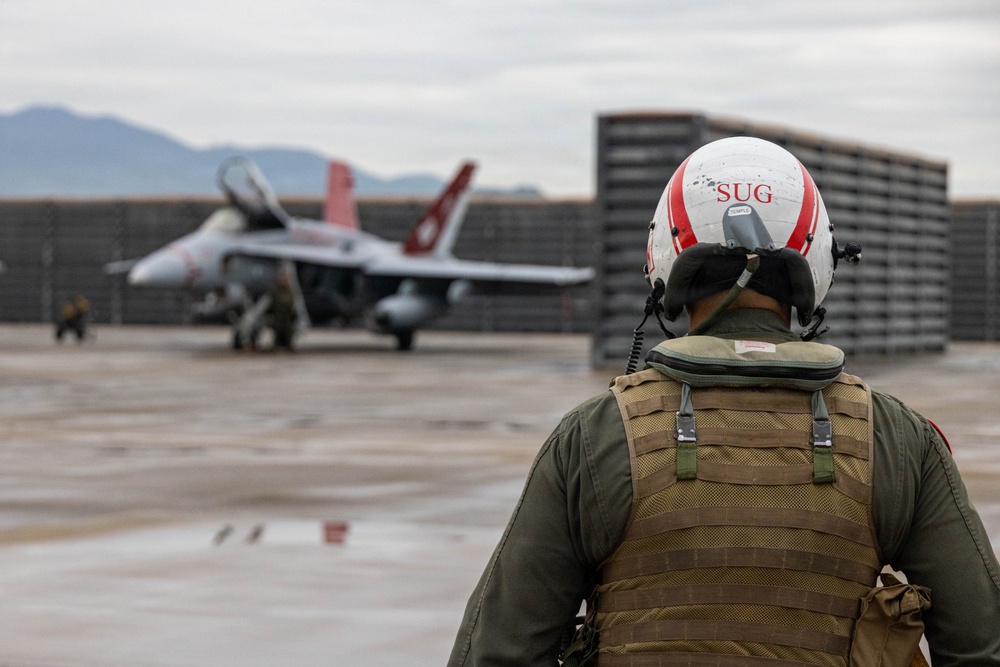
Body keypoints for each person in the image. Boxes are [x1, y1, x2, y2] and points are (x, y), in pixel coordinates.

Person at [448, 137, 1000, 666]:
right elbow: (981, 643)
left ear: (662, 254)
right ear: (818, 258)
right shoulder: (896, 439)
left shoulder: (595, 436)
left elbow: (498, 650)